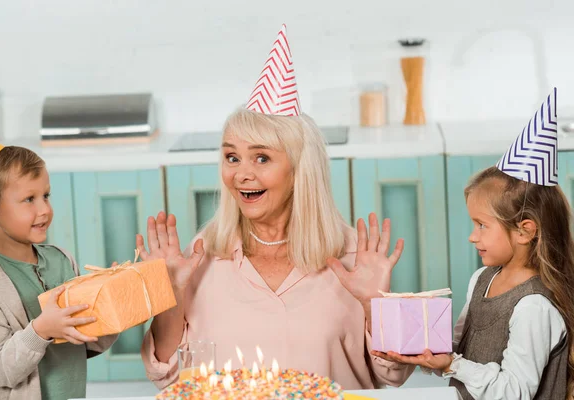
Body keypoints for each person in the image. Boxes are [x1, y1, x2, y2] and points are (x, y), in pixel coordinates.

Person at [139, 25, 415, 390]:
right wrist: (169, 296)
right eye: (232, 157)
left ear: (300, 169)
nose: (241, 174)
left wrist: (375, 305)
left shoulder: (353, 256)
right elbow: (168, 377)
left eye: (262, 158)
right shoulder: (202, 256)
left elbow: (394, 375)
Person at [376, 88, 573, 399]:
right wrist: (417, 346)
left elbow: (515, 392)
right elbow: (456, 350)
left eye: (482, 225)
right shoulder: (482, 279)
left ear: (524, 231)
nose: (472, 235)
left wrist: (452, 365)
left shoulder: (534, 307)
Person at [0, 134, 117, 400]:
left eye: (46, 195)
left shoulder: (62, 260)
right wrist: (41, 330)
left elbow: (88, 342)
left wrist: (114, 305)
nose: (45, 209)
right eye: (29, 199)